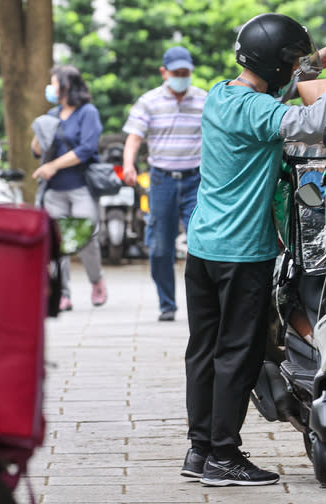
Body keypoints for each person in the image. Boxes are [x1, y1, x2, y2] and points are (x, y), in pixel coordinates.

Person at [180, 13, 326, 486]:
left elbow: (270, 101)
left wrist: (312, 66)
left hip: (203, 247)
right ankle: (224, 457)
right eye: (291, 61)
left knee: (203, 350)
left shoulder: (221, 95)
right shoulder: (260, 111)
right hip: (242, 252)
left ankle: (199, 449)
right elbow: (310, 121)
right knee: (237, 354)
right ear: (276, 63)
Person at [121, 46, 207, 322]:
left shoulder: (203, 100)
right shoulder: (149, 101)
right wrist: (128, 165)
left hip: (196, 179)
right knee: (160, 247)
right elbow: (134, 137)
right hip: (161, 181)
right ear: (164, 73)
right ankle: (167, 304)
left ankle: (204, 305)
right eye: (176, 73)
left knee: (202, 242)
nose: (181, 77)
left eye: (186, 73)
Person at [31, 65, 107, 311]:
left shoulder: (88, 113)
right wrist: (38, 132)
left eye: (53, 83)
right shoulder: (52, 114)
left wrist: (53, 165)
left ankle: (96, 281)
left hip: (80, 186)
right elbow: (37, 152)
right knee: (57, 243)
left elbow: (86, 149)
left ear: (66, 86)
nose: (50, 89)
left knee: (86, 237)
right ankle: (62, 293)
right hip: (54, 191)